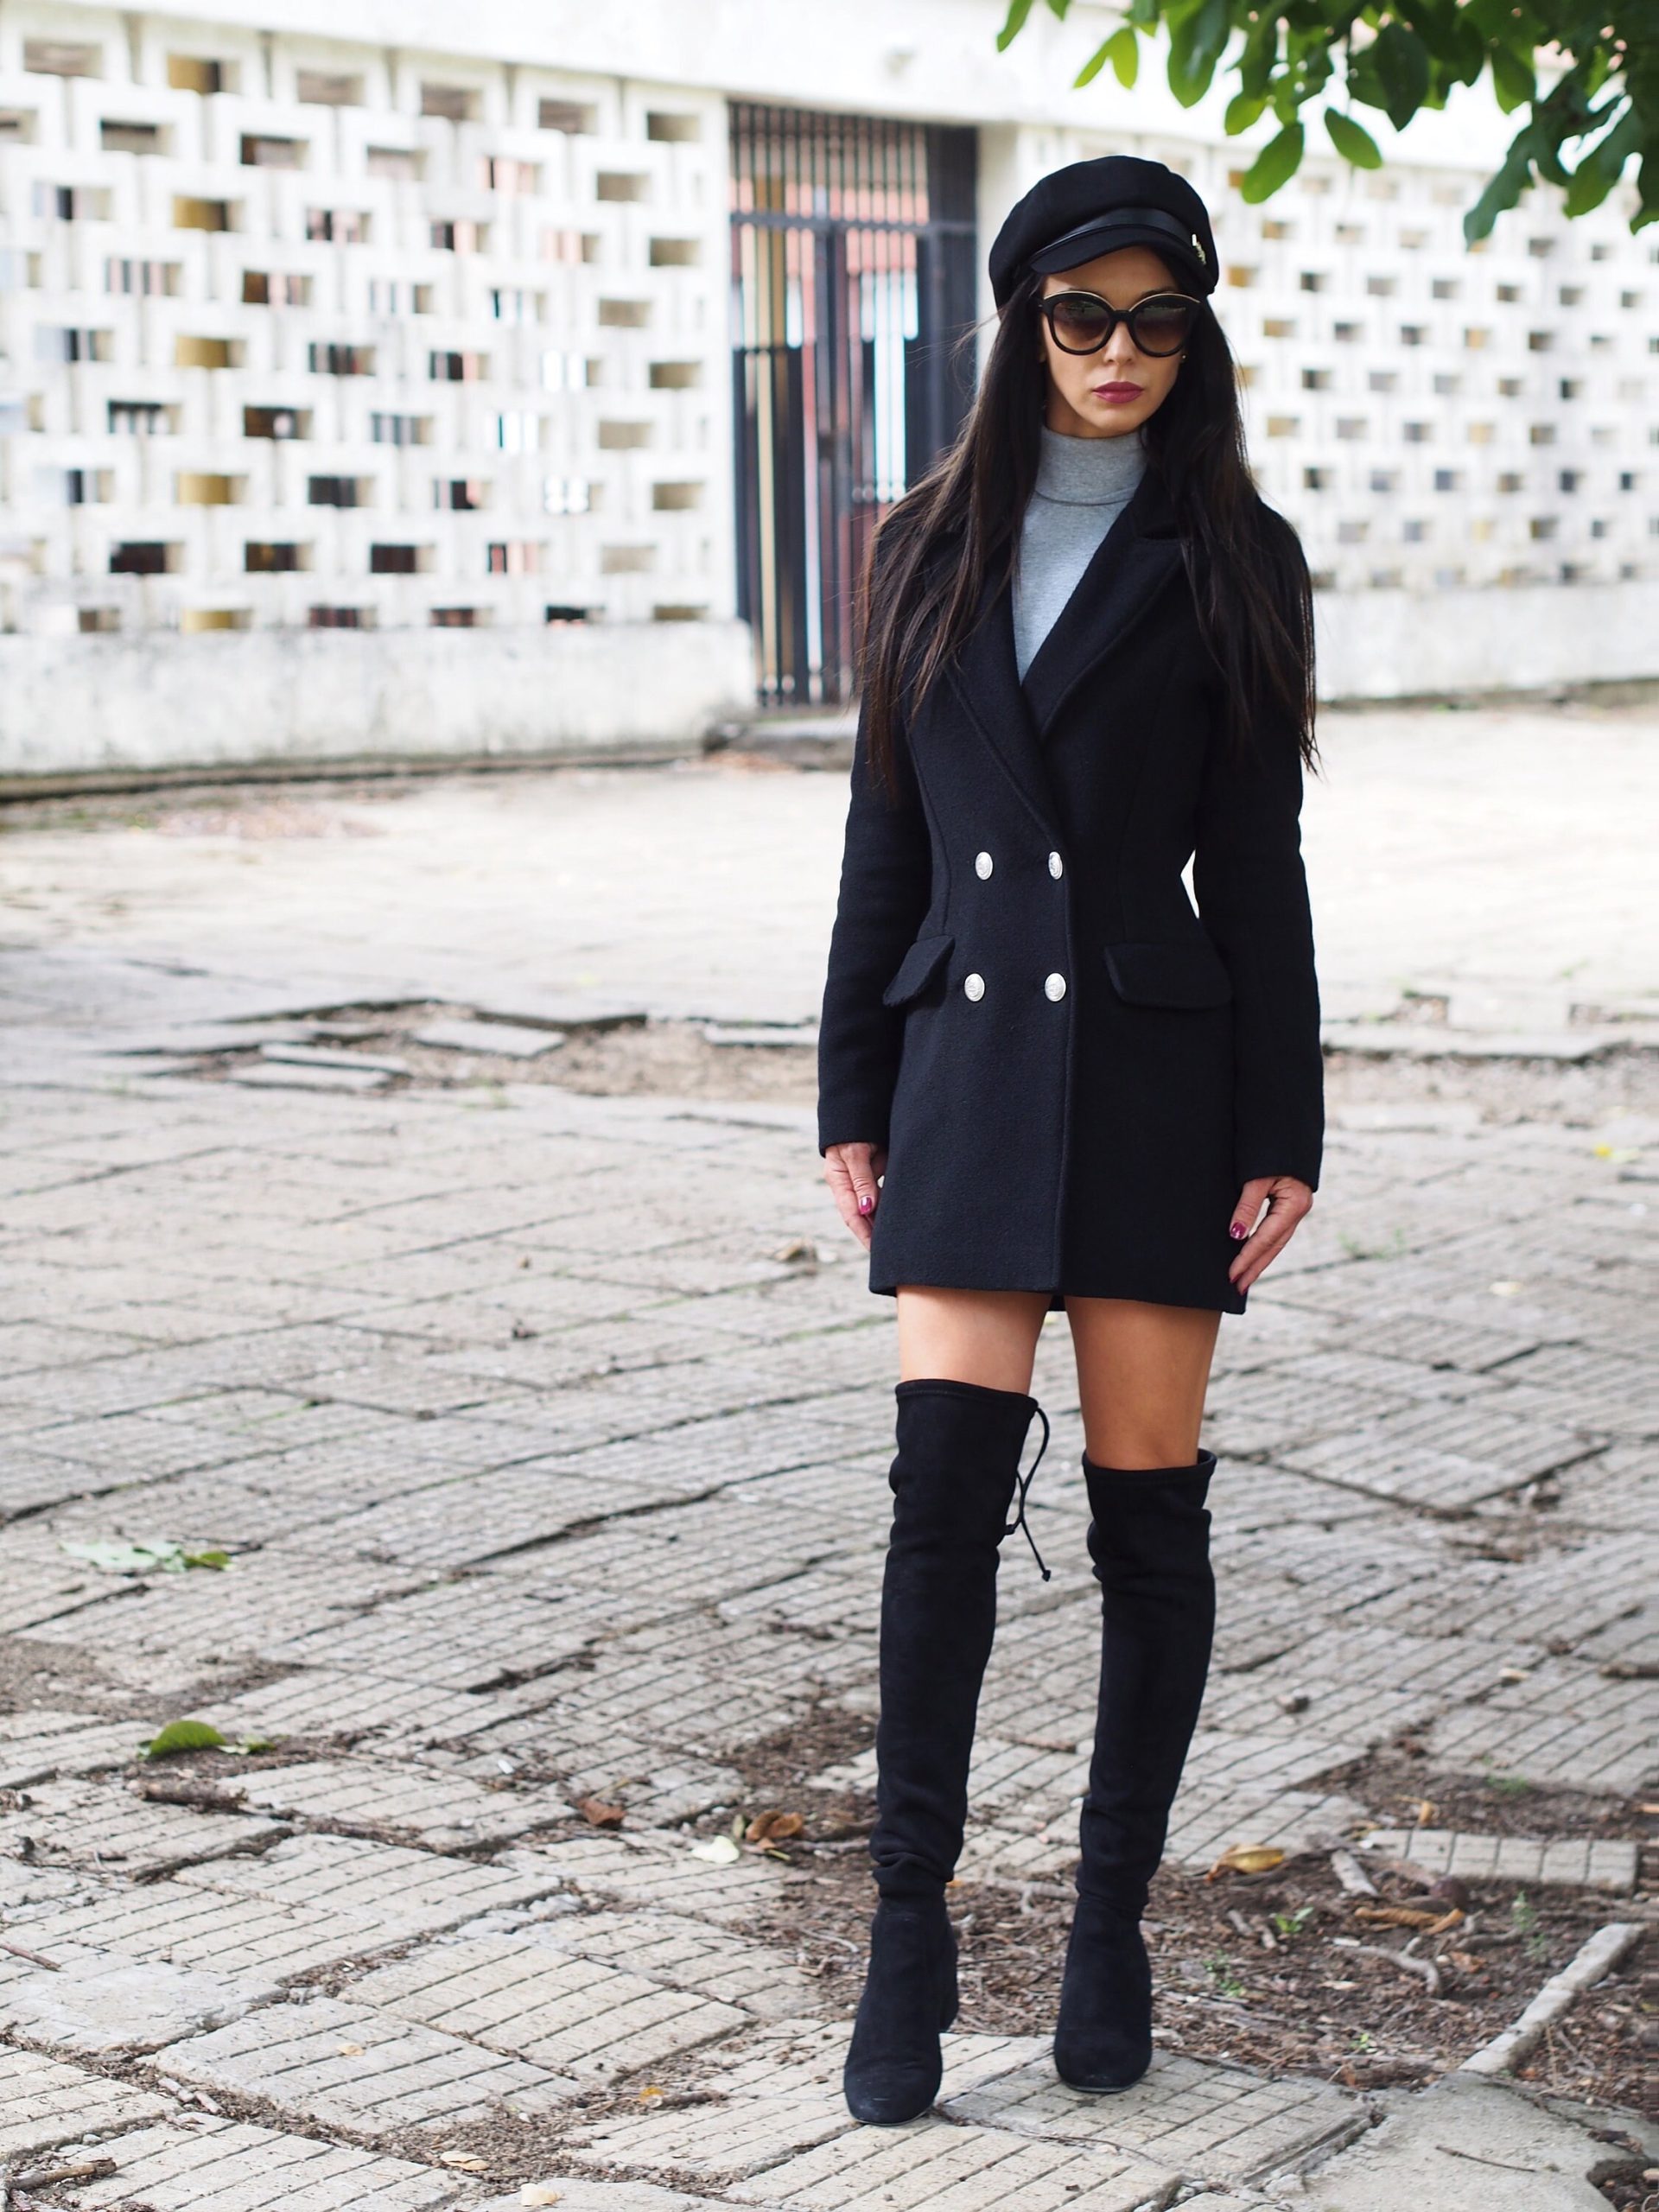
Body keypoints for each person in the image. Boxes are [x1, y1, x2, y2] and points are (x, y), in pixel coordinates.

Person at [816, 155, 1324, 2126]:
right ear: (1023, 323)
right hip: (962, 1065)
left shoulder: (1237, 553)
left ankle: (1111, 1929)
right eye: (1083, 315)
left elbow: (1257, 864)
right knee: (938, 1505)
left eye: (1158, 320)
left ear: (1193, 339)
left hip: (1153, 1084)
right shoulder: (921, 544)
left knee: (1146, 1519)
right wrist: (851, 1089)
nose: (1121, 351)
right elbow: (884, 833)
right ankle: (908, 1936)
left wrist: (1283, 1123)